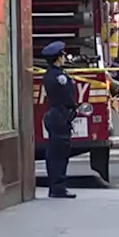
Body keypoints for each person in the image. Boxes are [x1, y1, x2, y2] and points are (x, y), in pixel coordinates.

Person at [41, 40, 78, 199]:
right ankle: (58, 187)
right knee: (60, 153)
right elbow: (67, 96)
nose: (64, 58)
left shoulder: (50, 74)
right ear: (58, 57)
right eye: (63, 55)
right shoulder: (59, 77)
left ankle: (56, 186)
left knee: (55, 152)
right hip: (60, 116)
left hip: (55, 115)